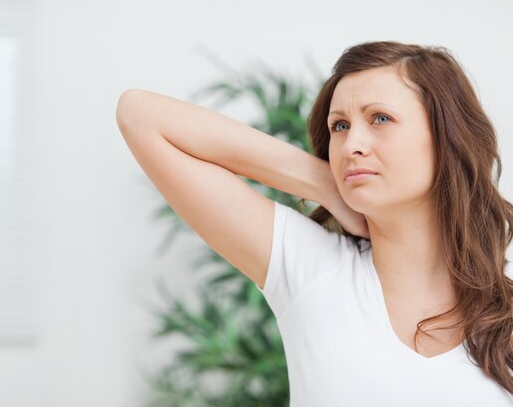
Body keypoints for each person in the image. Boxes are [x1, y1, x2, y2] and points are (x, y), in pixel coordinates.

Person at [115, 40, 513, 406]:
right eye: (339, 126)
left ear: (447, 138)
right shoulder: (309, 268)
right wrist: (323, 181)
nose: (352, 143)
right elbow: (139, 114)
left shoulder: (505, 315)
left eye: (380, 118)